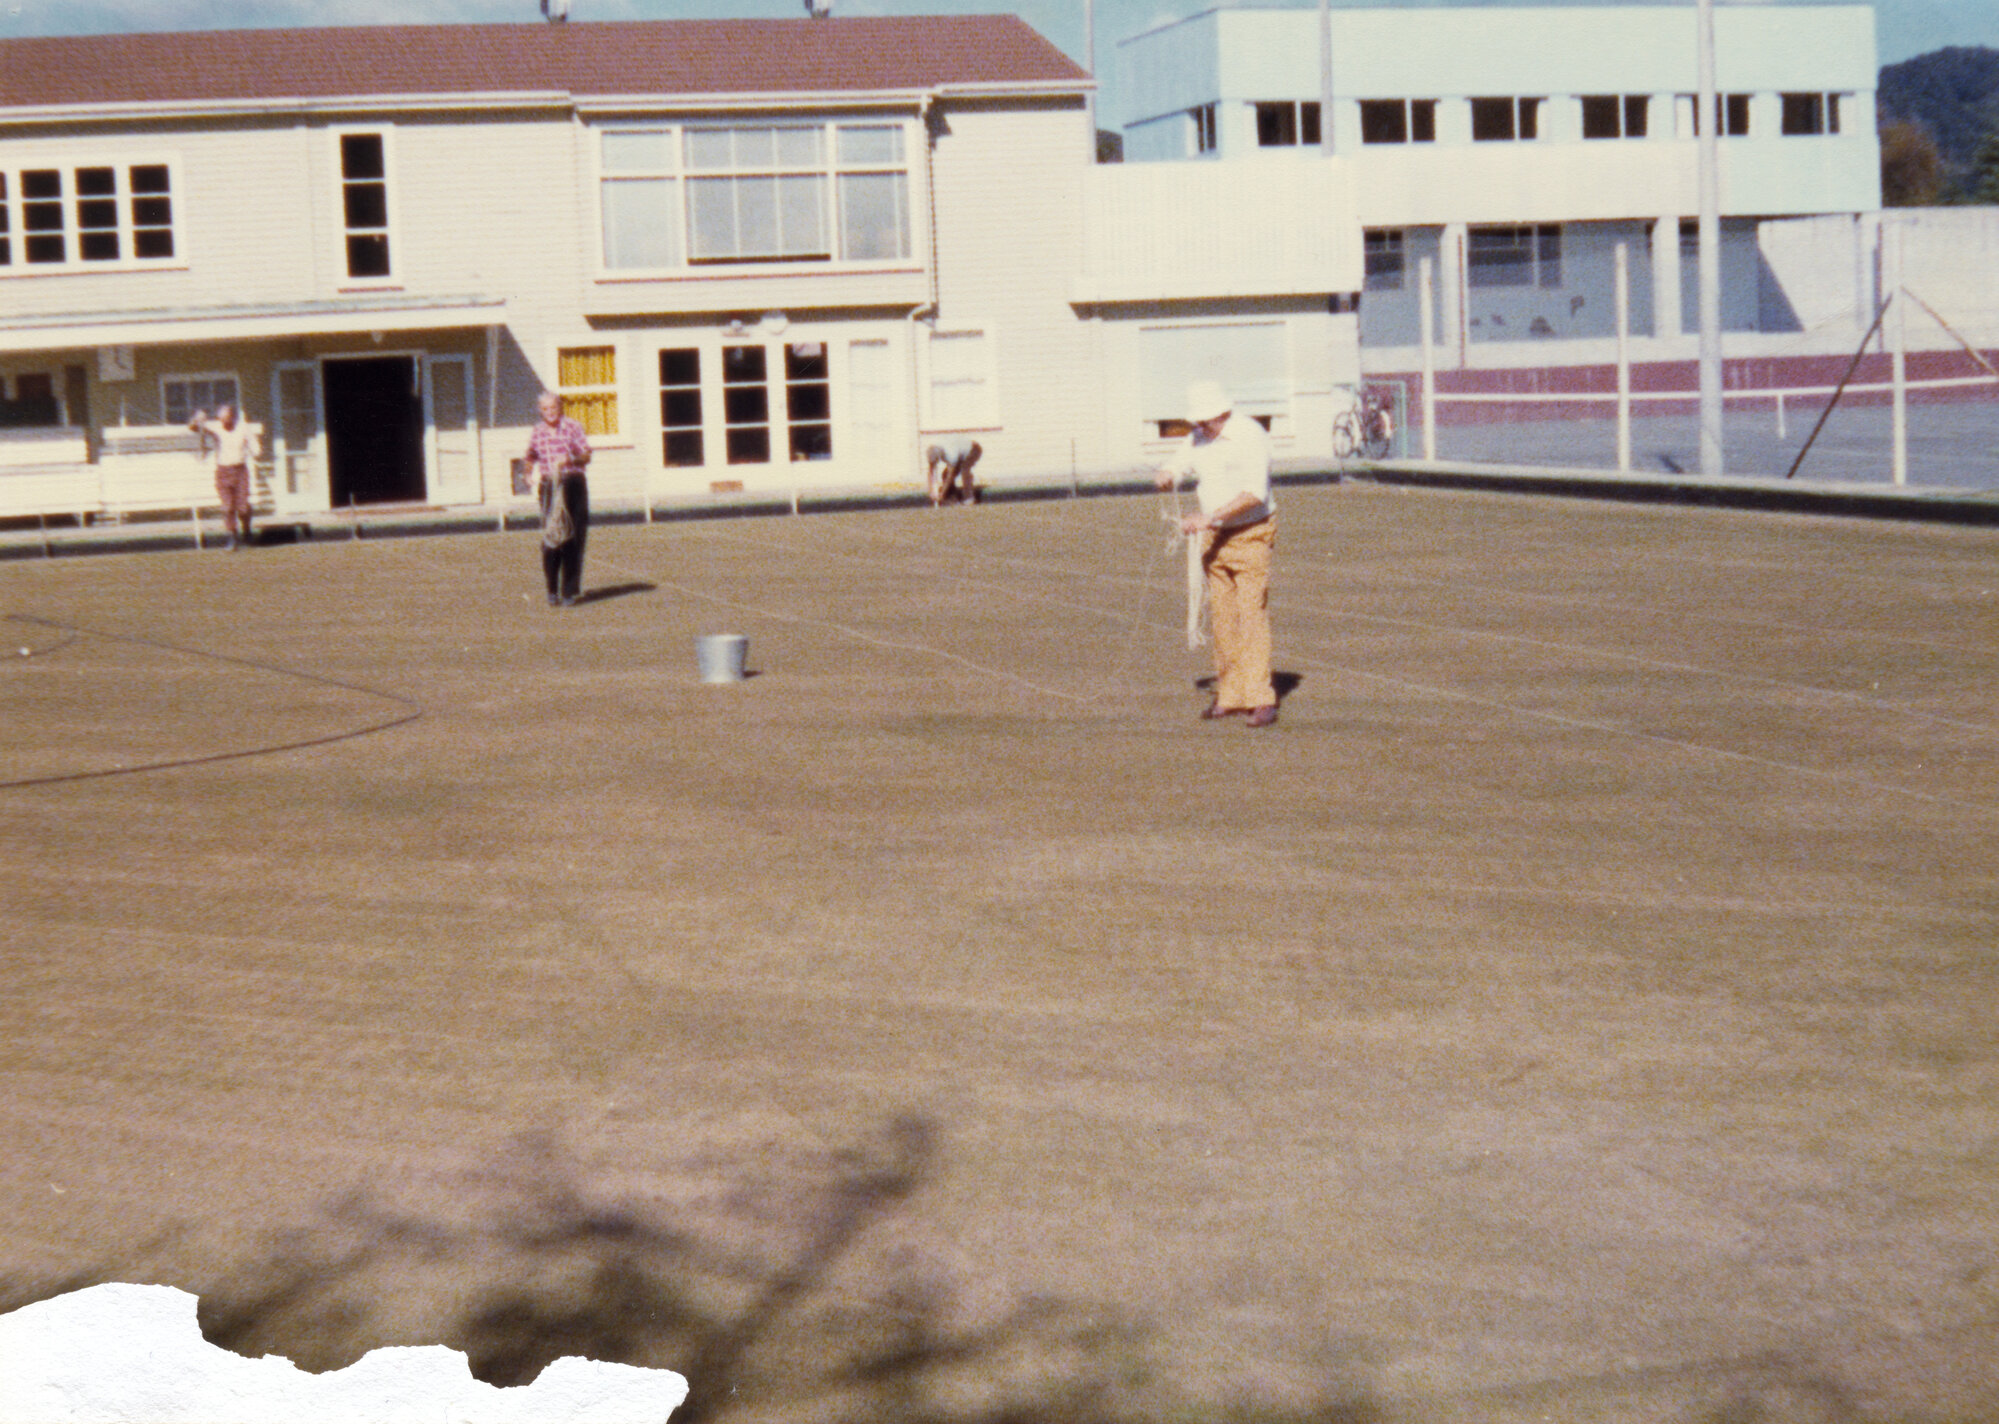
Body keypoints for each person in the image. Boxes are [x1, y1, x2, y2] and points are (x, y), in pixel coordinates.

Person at [1155, 380, 1278, 727]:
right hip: (1214, 537)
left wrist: (1209, 517)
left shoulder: (1250, 435)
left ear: (1222, 412)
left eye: (1206, 420)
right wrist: (1168, 472)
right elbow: (1182, 459)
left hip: (1251, 532)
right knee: (1223, 616)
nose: (1200, 426)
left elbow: (1254, 493)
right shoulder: (1198, 435)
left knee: (1250, 613)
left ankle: (1261, 698)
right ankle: (1231, 694)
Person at [524, 390, 592, 606]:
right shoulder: (537, 431)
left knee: (573, 537)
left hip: (573, 482)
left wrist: (570, 458)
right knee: (552, 537)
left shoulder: (573, 426)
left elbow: (587, 455)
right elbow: (530, 456)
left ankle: (569, 591)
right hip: (550, 486)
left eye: (553, 407)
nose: (550, 412)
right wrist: (527, 474)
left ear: (560, 407)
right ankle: (552, 589)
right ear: (540, 411)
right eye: (545, 409)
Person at [188, 404, 261, 551]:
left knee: (243, 508)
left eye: (226, 419)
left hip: (240, 471)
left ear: (233, 417)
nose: (224, 422)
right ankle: (232, 538)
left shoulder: (243, 428)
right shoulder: (217, 427)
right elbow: (193, 428)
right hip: (223, 471)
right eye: (221, 419)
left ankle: (246, 530)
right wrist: (197, 419)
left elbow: (255, 446)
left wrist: (256, 451)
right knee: (227, 507)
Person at [924, 435, 982, 506]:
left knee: (965, 470)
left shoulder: (950, 453)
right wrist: (932, 492)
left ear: (940, 455)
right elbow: (931, 472)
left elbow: (950, 476)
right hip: (959, 451)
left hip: (973, 448)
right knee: (944, 474)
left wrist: (942, 494)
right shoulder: (932, 450)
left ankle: (969, 498)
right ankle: (953, 499)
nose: (936, 463)